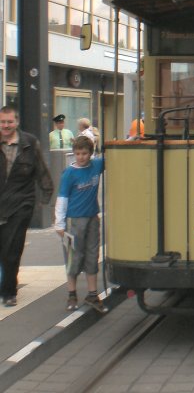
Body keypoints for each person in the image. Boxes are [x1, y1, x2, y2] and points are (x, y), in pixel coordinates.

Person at [0, 105, 54, 307]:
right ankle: (6, 284)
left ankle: (9, 292)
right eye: (2, 122)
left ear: (17, 122)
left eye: (9, 122)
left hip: (21, 204)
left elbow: (41, 170)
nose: (5, 126)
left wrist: (45, 199)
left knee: (11, 249)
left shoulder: (29, 144)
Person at [54, 136, 106, 312]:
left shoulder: (96, 165)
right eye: (77, 154)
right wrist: (59, 223)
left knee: (92, 254)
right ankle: (72, 293)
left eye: (84, 153)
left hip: (92, 218)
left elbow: (113, 156)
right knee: (73, 257)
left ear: (91, 153)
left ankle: (92, 293)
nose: (81, 157)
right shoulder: (69, 173)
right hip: (73, 220)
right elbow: (62, 198)